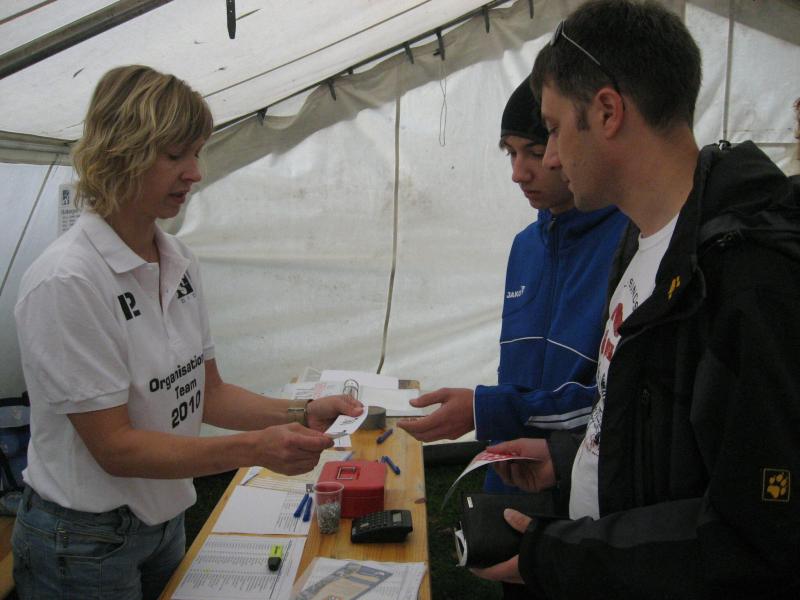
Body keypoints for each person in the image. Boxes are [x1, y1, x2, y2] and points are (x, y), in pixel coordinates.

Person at [472, 1, 800, 598]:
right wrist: (567, 457)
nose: (549, 157)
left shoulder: (746, 279)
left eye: (552, 129)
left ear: (607, 112)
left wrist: (563, 556)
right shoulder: (641, 241)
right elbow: (654, 431)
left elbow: (755, 533)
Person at [12, 65, 363, 600]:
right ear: (119, 152)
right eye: (175, 155)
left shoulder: (176, 260)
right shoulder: (68, 281)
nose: (195, 173)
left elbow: (207, 393)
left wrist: (301, 412)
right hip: (83, 540)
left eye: (196, 153)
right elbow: (116, 449)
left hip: (162, 515)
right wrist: (254, 448)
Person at [398, 79, 627, 501]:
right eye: (511, 152)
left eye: (535, 152)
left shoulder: (628, 243)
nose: (518, 173)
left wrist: (485, 409)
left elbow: (617, 402)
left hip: (577, 487)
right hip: (509, 475)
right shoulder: (526, 246)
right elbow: (520, 374)